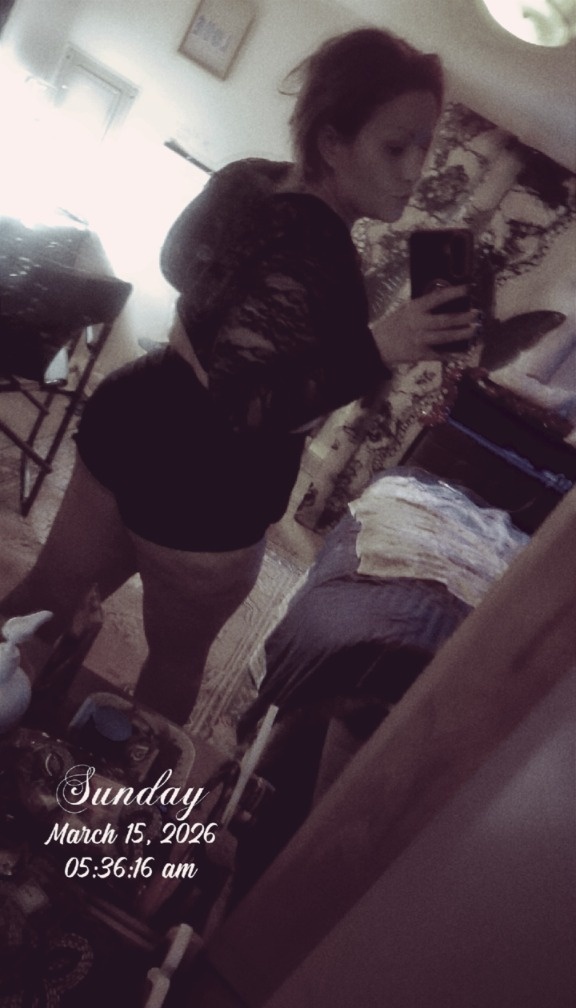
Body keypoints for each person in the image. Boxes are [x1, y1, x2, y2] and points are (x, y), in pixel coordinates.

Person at [0, 28, 479, 725]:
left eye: (424, 147)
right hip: (210, 493)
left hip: (134, 421)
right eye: (395, 147)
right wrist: (382, 346)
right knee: (171, 666)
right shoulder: (325, 259)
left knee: (40, 606)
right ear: (333, 142)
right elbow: (248, 408)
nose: (414, 171)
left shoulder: (248, 177)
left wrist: (201, 337)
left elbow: (174, 264)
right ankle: (122, 789)